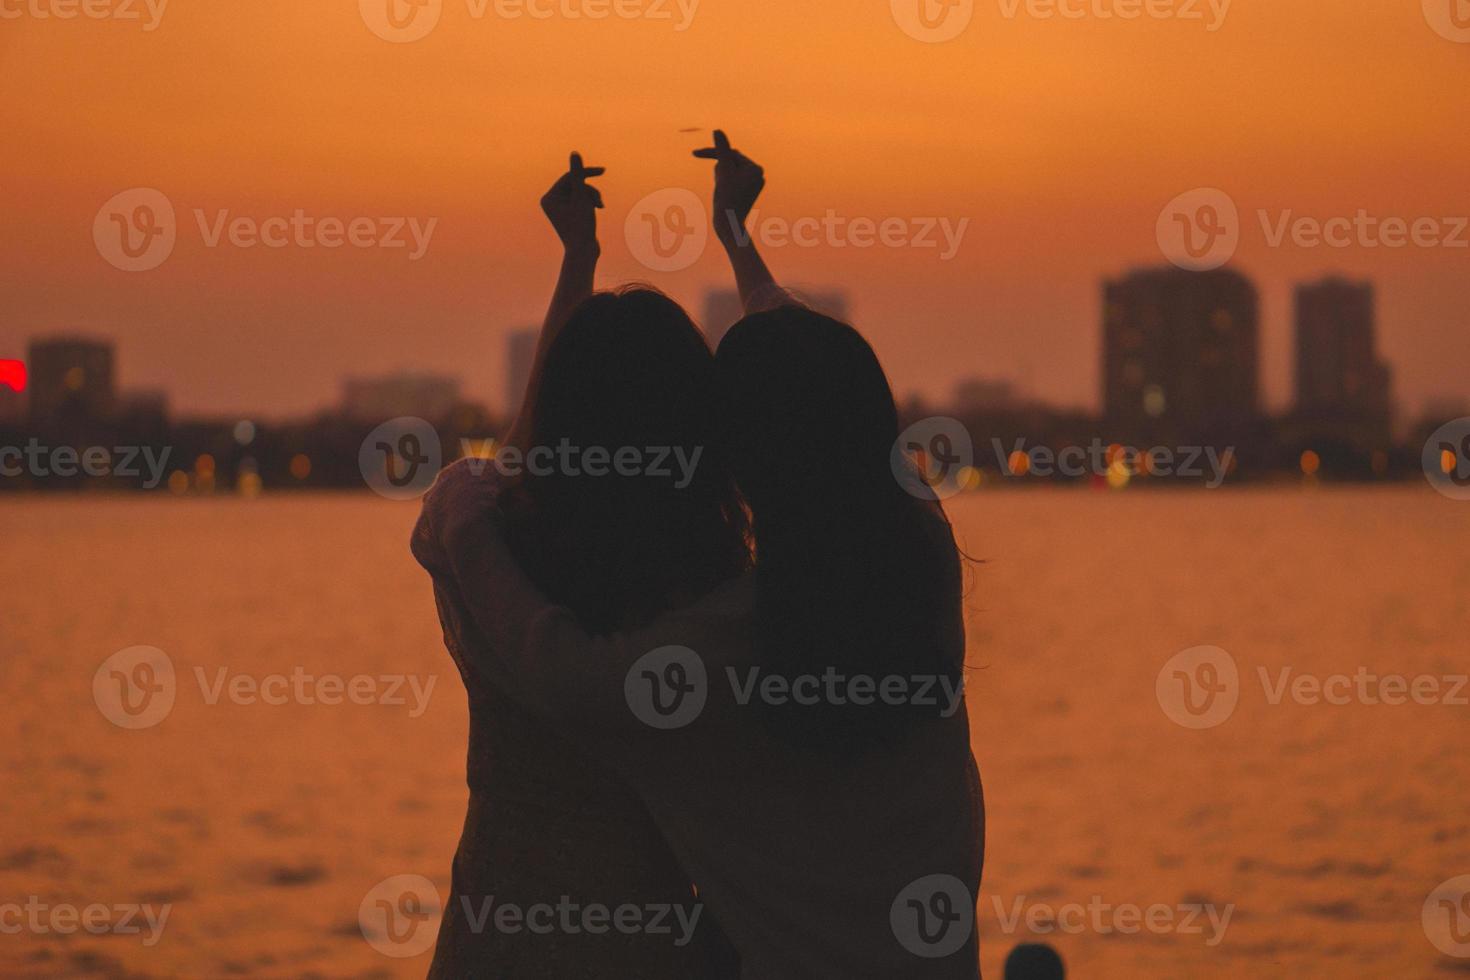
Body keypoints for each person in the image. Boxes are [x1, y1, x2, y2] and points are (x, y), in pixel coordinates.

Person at [414, 132, 984, 976]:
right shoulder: (919, 561)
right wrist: (735, 237)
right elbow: (819, 389)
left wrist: (460, 500)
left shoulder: (714, 642)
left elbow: (557, 661)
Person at [416, 154, 744, 977]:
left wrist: (577, 258)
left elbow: (520, 465)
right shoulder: (712, 603)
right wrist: (738, 238)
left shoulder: (488, 563)